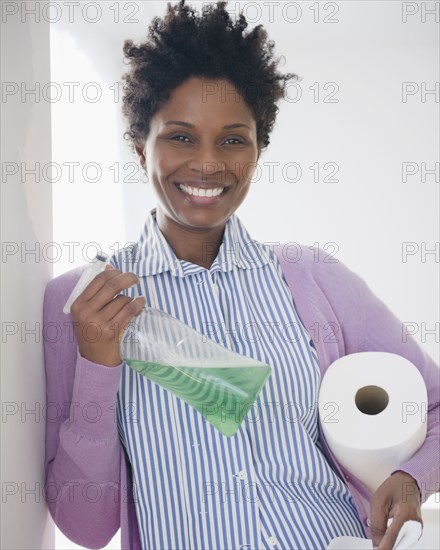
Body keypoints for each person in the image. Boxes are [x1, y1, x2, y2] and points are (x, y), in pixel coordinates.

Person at [43, 1, 439, 549]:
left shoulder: (313, 276)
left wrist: (410, 475)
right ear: (140, 149)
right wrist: (96, 365)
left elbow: (435, 402)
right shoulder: (84, 300)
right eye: (180, 136)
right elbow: (85, 528)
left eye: (233, 139)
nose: (208, 163)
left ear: (258, 152)